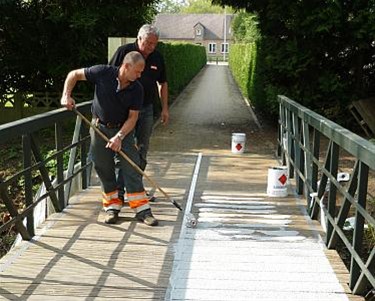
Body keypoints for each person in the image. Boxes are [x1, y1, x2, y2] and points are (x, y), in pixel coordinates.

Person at [60, 51, 158, 226]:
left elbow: (133, 117)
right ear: (126, 66)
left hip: (123, 130)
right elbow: (73, 75)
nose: (140, 75)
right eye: (137, 71)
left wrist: (119, 136)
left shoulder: (137, 88)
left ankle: (142, 210)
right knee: (103, 166)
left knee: (132, 166)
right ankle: (112, 206)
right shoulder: (102, 72)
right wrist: (66, 95)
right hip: (99, 128)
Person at [109, 24, 169, 200]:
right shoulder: (124, 52)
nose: (151, 47)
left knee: (142, 150)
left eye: (154, 44)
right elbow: (110, 78)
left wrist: (165, 108)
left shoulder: (157, 57)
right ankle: (118, 194)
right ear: (139, 38)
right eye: (148, 43)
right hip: (125, 112)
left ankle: (136, 190)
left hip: (146, 109)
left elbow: (163, 83)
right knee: (123, 151)